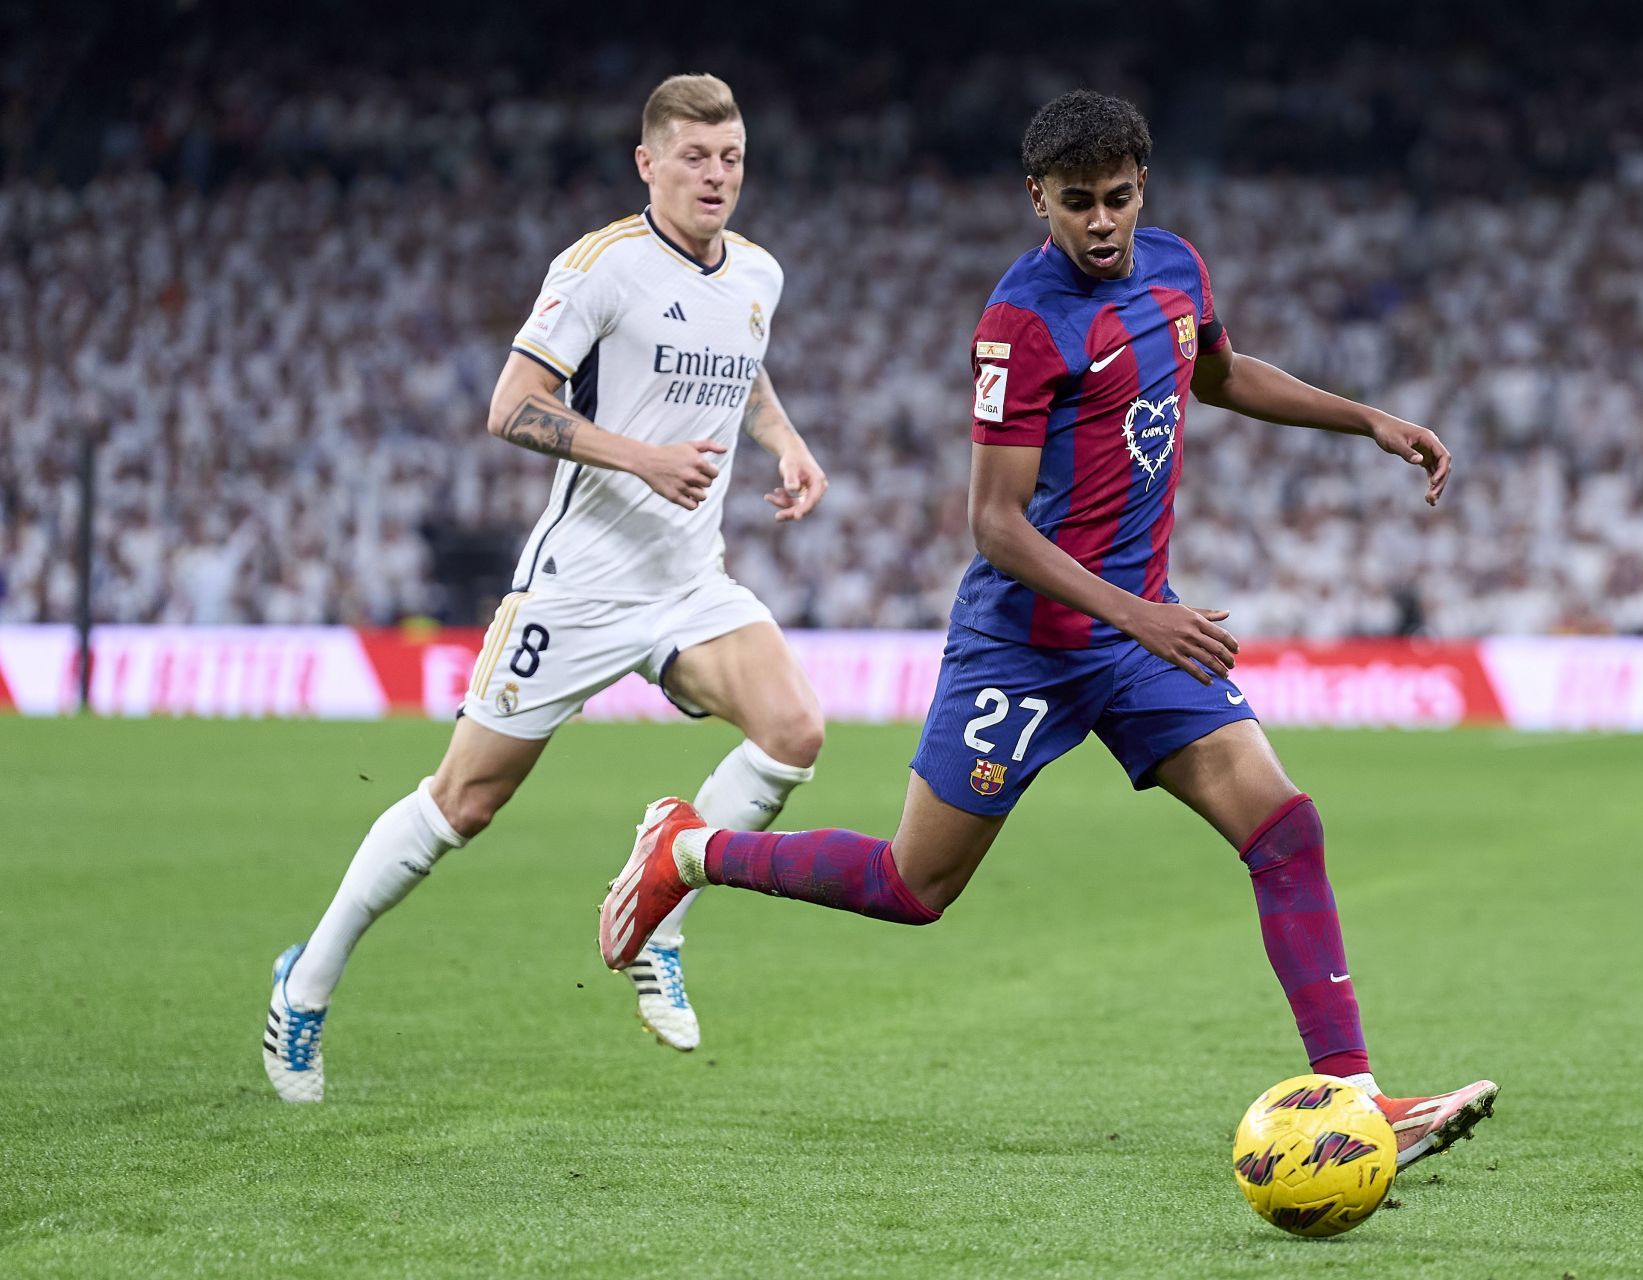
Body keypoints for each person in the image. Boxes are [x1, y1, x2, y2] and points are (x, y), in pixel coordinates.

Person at [597, 89, 1495, 1168]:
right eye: (1078, 204)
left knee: (1284, 827)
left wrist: (1369, 419)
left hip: (1134, 638)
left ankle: (1358, 1094)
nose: (1102, 222)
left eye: (1118, 198)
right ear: (1039, 199)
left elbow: (1218, 374)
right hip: (1026, 643)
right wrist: (1139, 613)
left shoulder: (1175, 267)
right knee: (912, 885)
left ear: (1142, 188)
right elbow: (995, 522)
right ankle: (689, 849)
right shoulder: (1020, 322)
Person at [263, 73, 829, 1101]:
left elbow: (742, 363)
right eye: (694, 157)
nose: (716, 175)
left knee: (794, 729)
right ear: (646, 162)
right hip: (580, 584)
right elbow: (511, 405)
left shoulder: (757, 273)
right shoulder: (600, 267)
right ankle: (306, 981)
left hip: (688, 581)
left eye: (732, 156)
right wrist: (640, 457)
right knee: (462, 803)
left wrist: (784, 439)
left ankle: (660, 906)